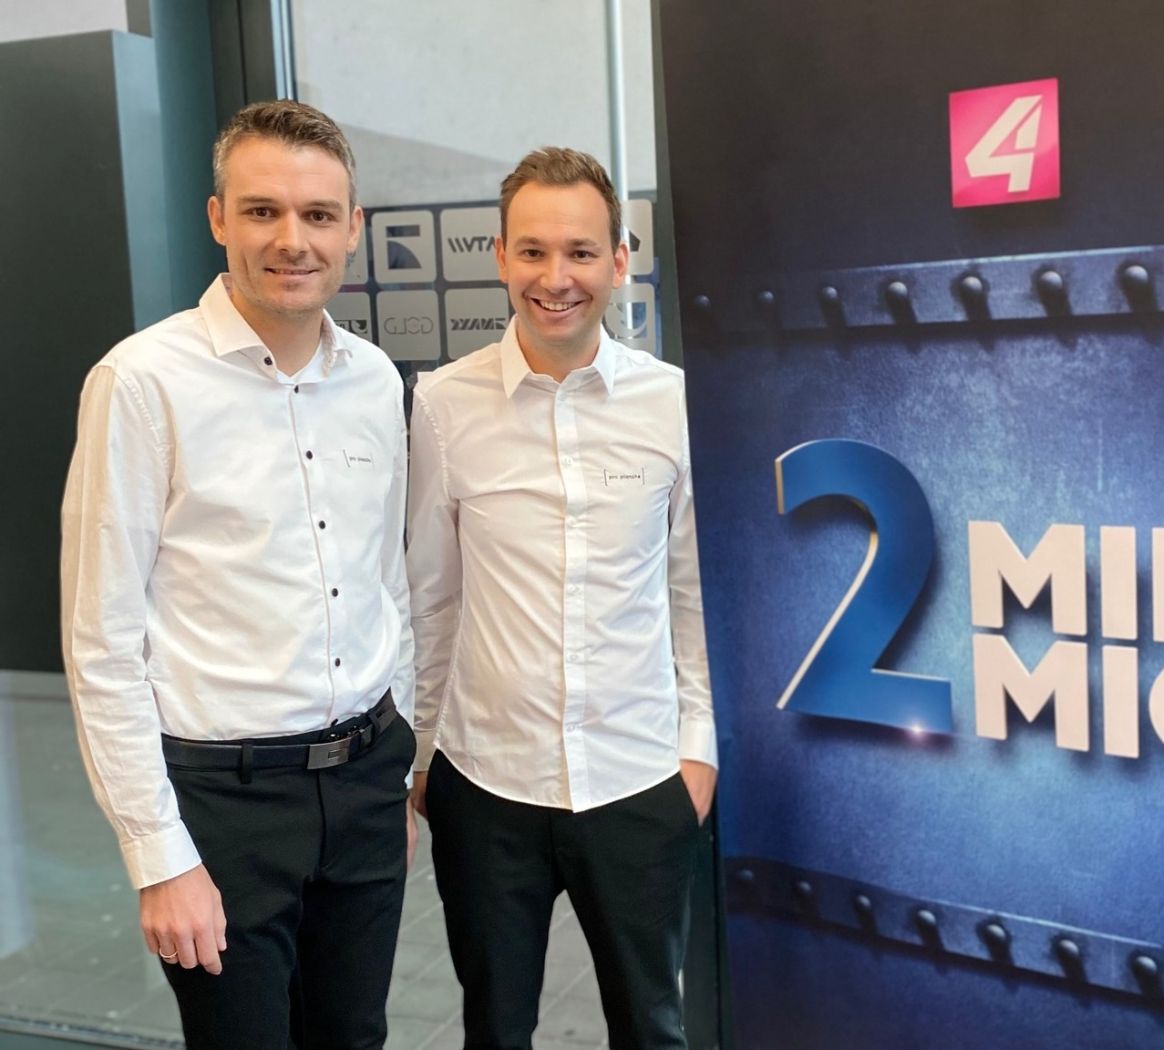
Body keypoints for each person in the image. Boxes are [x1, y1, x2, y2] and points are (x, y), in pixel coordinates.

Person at [59, 100, 415, 1050]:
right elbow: (101, 643)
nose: (292, 240)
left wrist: (397, 763)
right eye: (263, 211)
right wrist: (159, 857)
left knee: (355, 1038)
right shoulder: (142, 383)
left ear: (353, 228)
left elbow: (385, 582)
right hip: (223, 804)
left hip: (365, 781)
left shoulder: (376, 380)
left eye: (317, 214)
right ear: (219, 218)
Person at [406, 146, 717, 1050]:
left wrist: (696, 756)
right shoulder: (444, 405)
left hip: (639, 779)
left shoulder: (673, 404)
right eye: (534, 251)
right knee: (496, 1030)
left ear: (619, 260)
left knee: (653, 1030)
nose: (556, 278)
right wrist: (422, 754)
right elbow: (432, 596)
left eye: (580, 252)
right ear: (500, 257)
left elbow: (692, 595)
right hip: (485, 784)